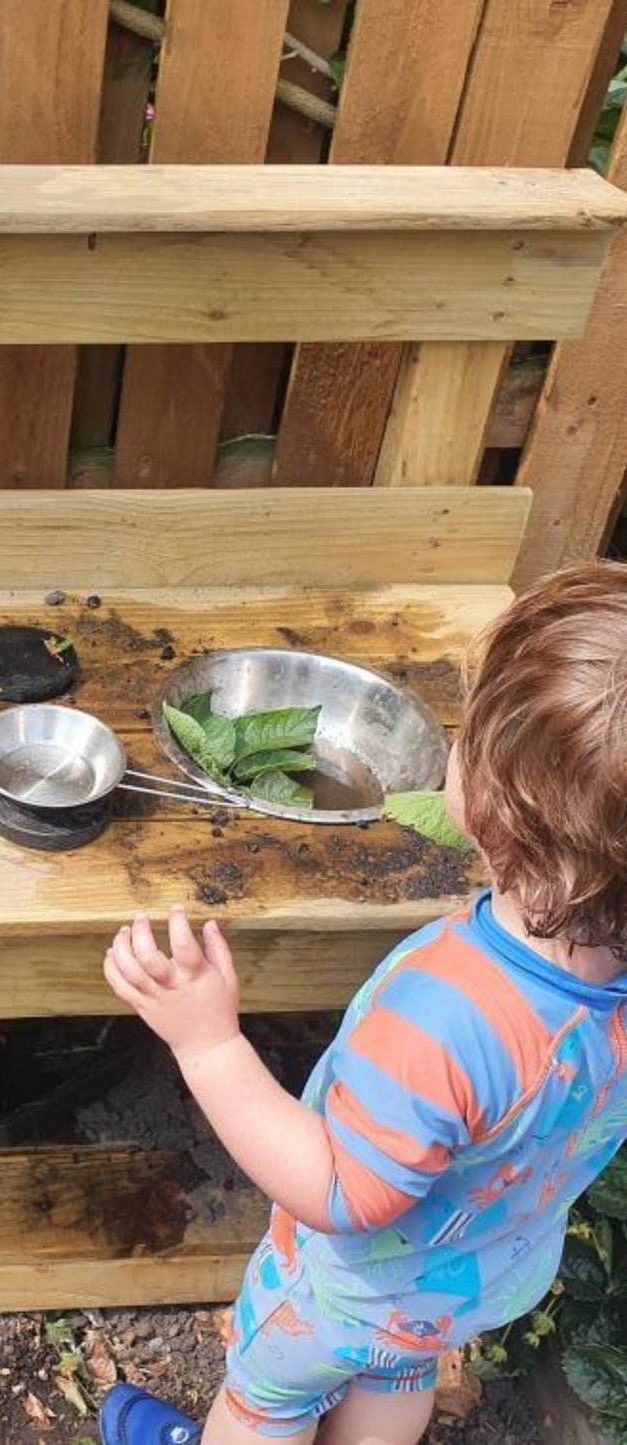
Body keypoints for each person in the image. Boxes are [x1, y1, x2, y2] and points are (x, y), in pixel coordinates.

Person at [98, 561, 627, 1444]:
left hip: (349, 1287)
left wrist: (208, 1045)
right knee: (395, 1367)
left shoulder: (446, 1015)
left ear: (490, 803)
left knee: (266, 1398)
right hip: (472, 1276)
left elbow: (337, 1190)